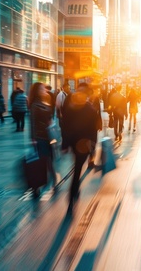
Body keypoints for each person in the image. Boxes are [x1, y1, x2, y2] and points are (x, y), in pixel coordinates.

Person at [60, 83, 99, 212]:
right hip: (84, 144)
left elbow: (65, 127)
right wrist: (93, 147)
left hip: (75, 142)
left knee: (77, 168)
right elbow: (94, 130)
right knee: (77, 169)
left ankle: (73, 194)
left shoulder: (71, 108)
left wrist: (65, 145)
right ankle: (73, 194)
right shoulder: (91, 109)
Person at [29, 82, 57, 195]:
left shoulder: (44, 102)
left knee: (48, 160)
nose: (44, 90)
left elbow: (49, 118)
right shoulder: (35, 105)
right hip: (40, 137)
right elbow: (32, 123)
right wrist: (33, 138)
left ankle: (51, 181)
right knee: (43, 161)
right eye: (41, 89)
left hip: (48, 136)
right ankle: (38, 186)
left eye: (44, 88)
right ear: (36, 91)